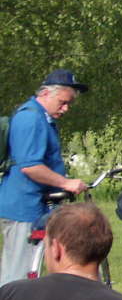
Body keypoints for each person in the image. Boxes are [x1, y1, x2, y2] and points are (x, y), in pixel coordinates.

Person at [0, 69, 89, 285]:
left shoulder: (43, 118)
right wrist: (65, 182)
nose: (65, 108)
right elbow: (30, 167)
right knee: (17, 277)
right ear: (46, 94)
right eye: (62, 102)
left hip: (36, 206)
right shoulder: (30, 118)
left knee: (32, 272)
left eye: (68, 104)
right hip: (23, 207)